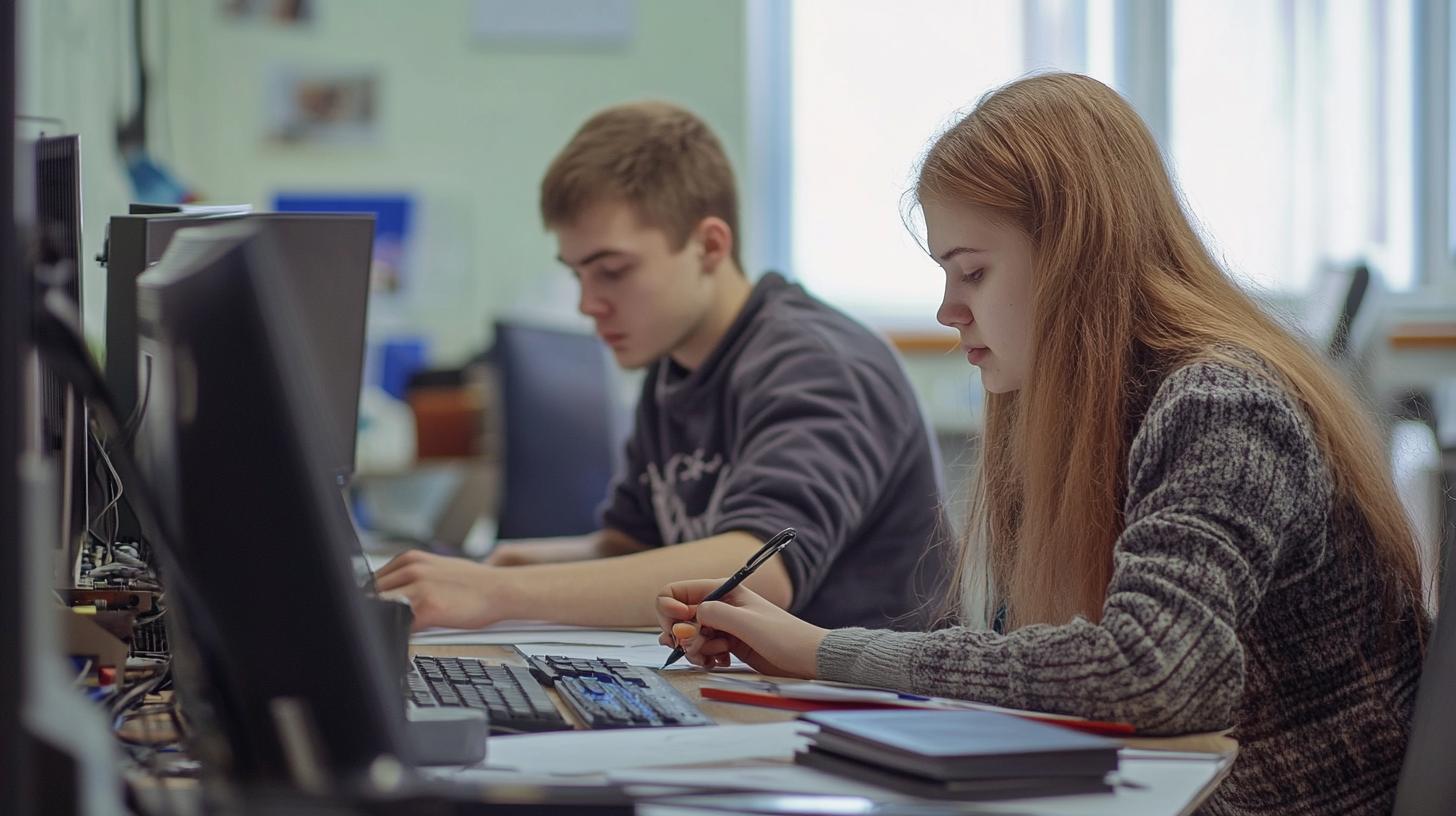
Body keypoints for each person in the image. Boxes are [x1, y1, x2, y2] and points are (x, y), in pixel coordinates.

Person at [656, 74, 1428, 816]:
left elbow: (1151, 672)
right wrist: (808, 651)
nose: (948, 308)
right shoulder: (1074, 410)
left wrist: (822, 651)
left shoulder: (1221, 407)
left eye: (973, 272)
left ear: (1074, 259)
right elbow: (1037, 658)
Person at [377, 101, 948, 631]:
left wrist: (499, 594)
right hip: (773, 692)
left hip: (871, 710)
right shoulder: (675, 366)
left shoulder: (818, 363)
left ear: (709, 246)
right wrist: (506, 567)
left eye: (613, 270)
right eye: (579, 273)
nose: (587, 303)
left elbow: (758, 571)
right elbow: (634, 547)